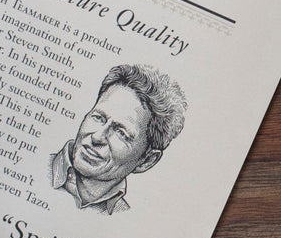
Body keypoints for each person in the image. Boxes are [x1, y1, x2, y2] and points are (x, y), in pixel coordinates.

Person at [50, 63, 187, 215]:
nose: (97, 137)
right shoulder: (37, 166)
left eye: (121, 133)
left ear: (147, 161)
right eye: (98, 117)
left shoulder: (125, 215)